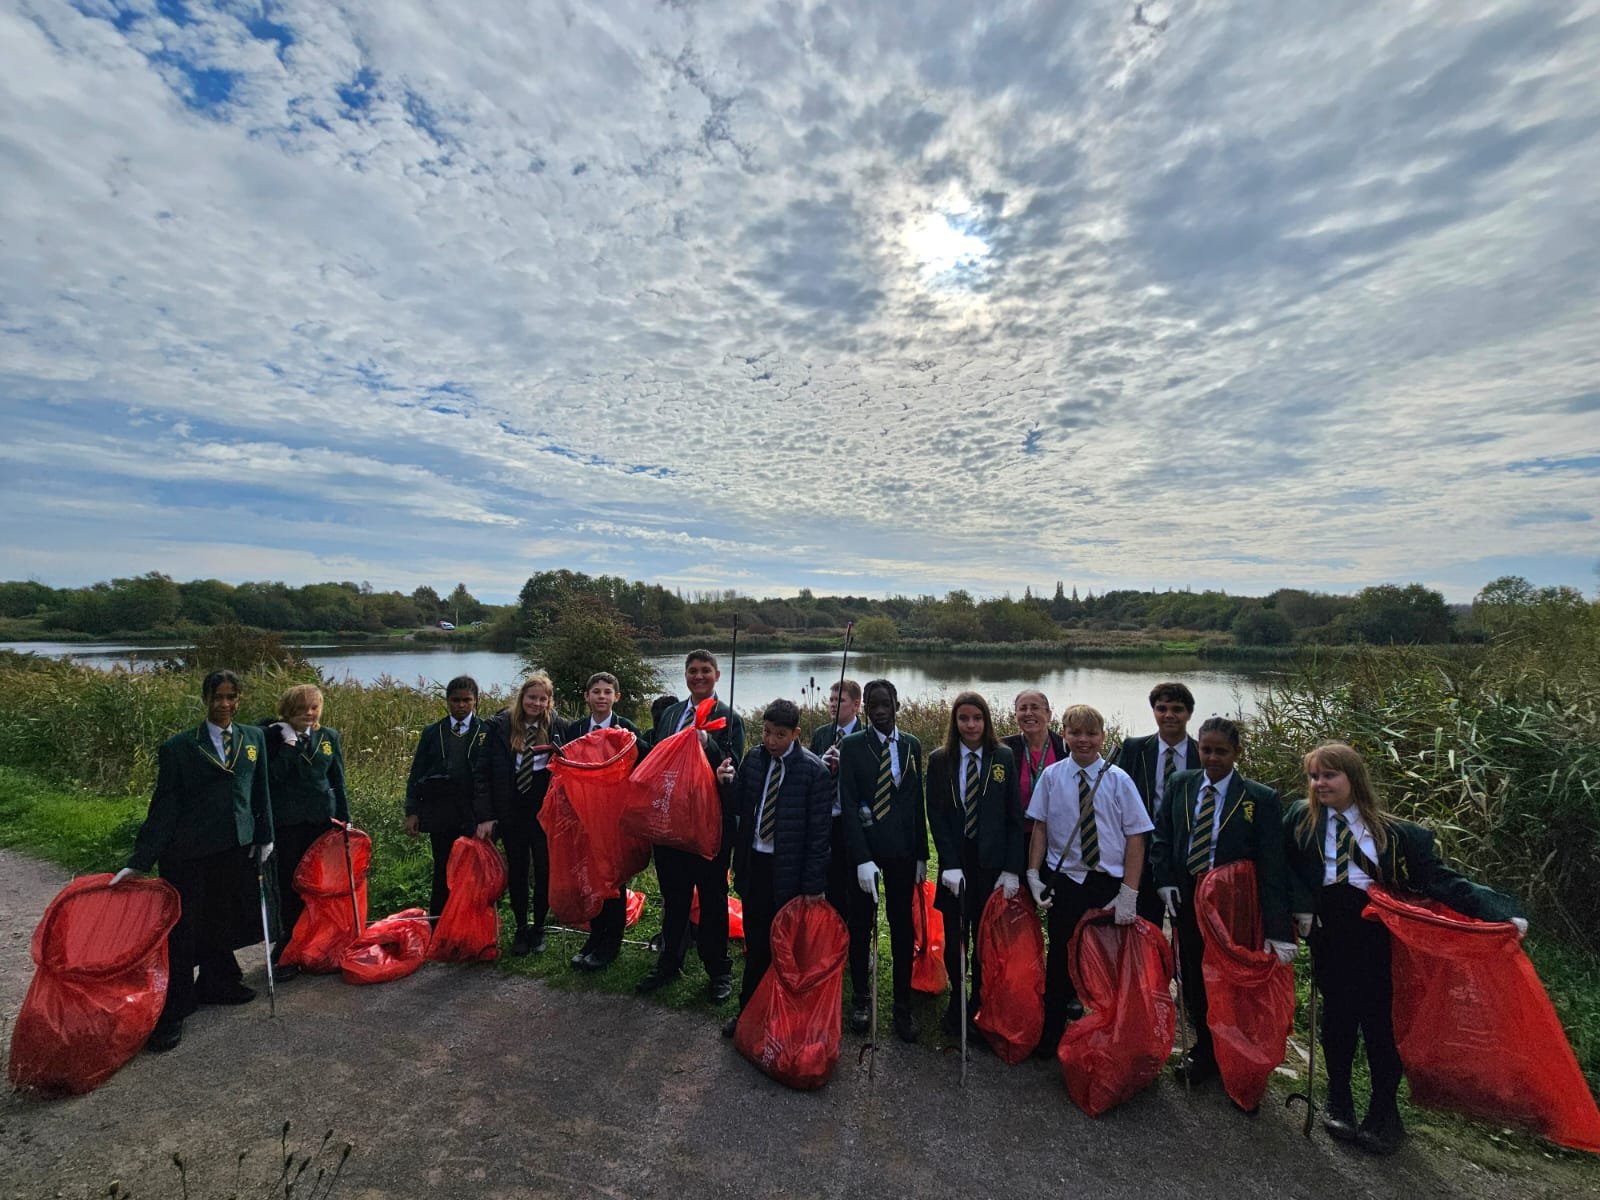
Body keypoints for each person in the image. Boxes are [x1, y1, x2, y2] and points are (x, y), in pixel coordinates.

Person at [1283, 742, 1527, 1155]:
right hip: (1329, 931)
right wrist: (1301, 907)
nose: (1319, 783)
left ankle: (1385, 1111)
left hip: (1380, 935)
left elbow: (1441, 880)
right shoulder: (1300, 820)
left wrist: (1499, 912)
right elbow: (1284, 867)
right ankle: (1338, 1097)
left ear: (1353, 779)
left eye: (1329, 775)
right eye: (1314, 776)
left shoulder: (1397, 834)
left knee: (1381, 1024)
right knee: (1338, 1018)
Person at [111, 670, 273, 1053]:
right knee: (182, 932)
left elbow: (260, 790)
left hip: (234, 847)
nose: (225, 704)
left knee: (222, 918)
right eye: (218, 697)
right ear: (205, 700)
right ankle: (174, 1010)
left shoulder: (253, 739)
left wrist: (264, 836)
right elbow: (164, 807)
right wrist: (140, 860)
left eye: (232, 697)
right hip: (188, 852)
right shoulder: (180, 747)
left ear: (240, 699)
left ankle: (217, 982)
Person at [1149, 716, 1293, 1100]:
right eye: (1205, 749)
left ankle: (1233, 1049)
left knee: (1226, 979)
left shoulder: (1259, 798)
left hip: (1230, 905)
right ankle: (1204, 1050)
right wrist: (1163, 879)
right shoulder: (1181, 784)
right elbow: (1162, 836)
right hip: (1185, 894)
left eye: (1221, 751)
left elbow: (1272, 864)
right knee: (1193, 975)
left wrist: (1279, 929)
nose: (1212, 757)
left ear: (1237, 753)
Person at [1025, 703, 1151, 1057]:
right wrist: (1033, 874)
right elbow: (1041, 827)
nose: (1083, 740)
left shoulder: (1119, 780)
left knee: (1105, 962)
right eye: (1075, 733)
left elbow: (1136, 838)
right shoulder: (1051, 776)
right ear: (1063, 735)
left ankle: (1105, 1037)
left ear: (1103, 737)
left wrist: (1129, 891)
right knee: (1061, 959)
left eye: (1091, 734)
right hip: (1065, 880)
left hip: (1105, 884)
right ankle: (1051, 1034)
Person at [636, 650, 745, 1002]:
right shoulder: (670, 714)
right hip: (670, 823)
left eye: (705, 671)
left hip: (709, 823)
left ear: (716, 674)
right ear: (685, 676)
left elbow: (734, 767)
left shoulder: (730, 718)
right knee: (674, 896)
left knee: (712, 899)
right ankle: (669, 961)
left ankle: (717, 970)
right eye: (692, 671)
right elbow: (655, 758)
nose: (698, 677)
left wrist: (708, 743)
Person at [721, 699, 834, 1036]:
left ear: (796, 734)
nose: (770, 740)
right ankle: (748, 1013)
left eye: (779, 735)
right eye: (766, 732)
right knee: (755, 944)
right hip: (755, 864)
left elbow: (819, 835)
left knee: (783, 949)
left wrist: (813, 884)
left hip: (790, 873)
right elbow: (739, 806)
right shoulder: (754, 759)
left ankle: (783, 1018)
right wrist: (726, 782)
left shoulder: (814, 771)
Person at [926, 691, 1023, 1036]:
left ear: (986, 721)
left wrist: (1012, 869)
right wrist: (948, 862)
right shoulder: (940, 760)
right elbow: (935, 815)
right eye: (964, 718)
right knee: (955, 937)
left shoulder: (1004, 757)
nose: (971, 725)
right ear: (955, 721)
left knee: (984, 938)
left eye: (977, 718)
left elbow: (1015, 817)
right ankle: (958, 996)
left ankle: (980, 999)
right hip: (956, 862)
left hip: (990, 864)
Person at [838, 678, 927, 1043]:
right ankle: (861, 996)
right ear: (866, 707)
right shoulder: (853, 745)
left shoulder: (910, 745)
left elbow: (914, 802)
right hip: (866, 854)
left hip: (903, 852)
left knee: (902, 926)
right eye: (872, 704)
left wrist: (921, 852)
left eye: (885, 704)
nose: (879, 710)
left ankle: (902, 1006)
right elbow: (847, 802)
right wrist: (860, 858)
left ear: (896, 705)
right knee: (861, 926)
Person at [260, 683, 348, 981]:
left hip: (322, 822)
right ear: (288, 710)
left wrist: (345, 821)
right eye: (301, 708)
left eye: (314, 707)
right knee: (290, 887)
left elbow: (337, 780)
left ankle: (318, 944)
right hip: (288, 824)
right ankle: (287, 949)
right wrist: (288, 745)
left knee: (321, 886)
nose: (309, 714)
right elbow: (271, 779)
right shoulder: (272, 737)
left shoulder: (328, 737)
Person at [474, 673, 567, 955]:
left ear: (549, 702)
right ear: (521, 697)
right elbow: (483, 773)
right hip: (511, 808)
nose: (536, 703)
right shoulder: (499, 726)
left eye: (542, 699)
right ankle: (520, 927)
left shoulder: (559, 726)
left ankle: (539, 927)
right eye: (532, 697)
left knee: (543, 869)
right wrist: (485, 815)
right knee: (517, 869)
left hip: (544, 810)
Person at [565, 671, 644, 972]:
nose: (601, 696)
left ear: (616, 697)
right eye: (595, 691)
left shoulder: (628, 729)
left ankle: (612, 942)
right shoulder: (574, 730)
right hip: (583, 818)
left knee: (614, 879)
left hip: (614, 821)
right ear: (586, 696)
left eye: (607, 692)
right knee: (591, 880)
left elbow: (639, 773)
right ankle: (595, 936)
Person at [811, 678, 875, 1029]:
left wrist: (846, 762)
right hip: (828, 825)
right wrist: (822, 764)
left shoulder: (866, 736)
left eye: (841, 699)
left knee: (859, 901)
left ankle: (861, 983)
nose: (834, 704)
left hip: (858, 830)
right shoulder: (822, 734)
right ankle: (833, 954)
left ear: (857, 704)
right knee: (832, 892)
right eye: (832, 698)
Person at [1114, 681, 1200, 924]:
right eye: (1162, 708)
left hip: (1185, 854)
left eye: (1177, 709)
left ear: (1189, 713)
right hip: (1141, 851)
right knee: (1143, 924)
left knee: (1186, 926)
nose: (1169, 715)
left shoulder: (1201, 753)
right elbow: (1117, 797)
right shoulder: (1135, 748)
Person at [404, 676, 486, 917]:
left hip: (472, 813)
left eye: (466, 700)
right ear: (447, 701)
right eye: (456, 700)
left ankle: (468, 923)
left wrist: (489, 815)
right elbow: (417, 773)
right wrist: (412, 811)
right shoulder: (433, 732)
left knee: (472, 871)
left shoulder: (486, 731)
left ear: (475, 701)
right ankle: (438, 924)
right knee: (442, 869)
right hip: (440, 812)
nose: (461, 705)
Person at [1001, 688, 1066, 834]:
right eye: (1022, 709)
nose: (1028, 713)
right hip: (1014, 834)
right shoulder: (1002, 749)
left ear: (1049, 715)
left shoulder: (1066, 749)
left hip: (1056, 835)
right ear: (1015, 715)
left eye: (1035, 707)